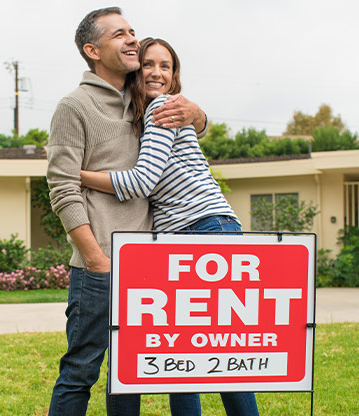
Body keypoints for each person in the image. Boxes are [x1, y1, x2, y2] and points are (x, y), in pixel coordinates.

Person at [79, 38, 260, 415]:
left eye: (167, 66)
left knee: (220, 353)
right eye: (149, 64)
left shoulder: (162, 108)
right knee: (184, 352)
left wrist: (77, 174)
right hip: (188, 234)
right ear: (134, 69)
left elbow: (142, 182)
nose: (158, 73)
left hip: (206, 227)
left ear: (175, 75)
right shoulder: (145, 117)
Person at [46, 8, 209, 416]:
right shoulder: (74, 105)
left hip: (146, 262)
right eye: (120, 34)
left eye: (133, 31)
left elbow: (187, 129)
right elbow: (62, 187)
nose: (133, 39)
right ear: (93, 50)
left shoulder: (144, 100)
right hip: (99, 262)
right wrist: (96, 258)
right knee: (82, 369)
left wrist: (200, 115)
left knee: (129, 375)